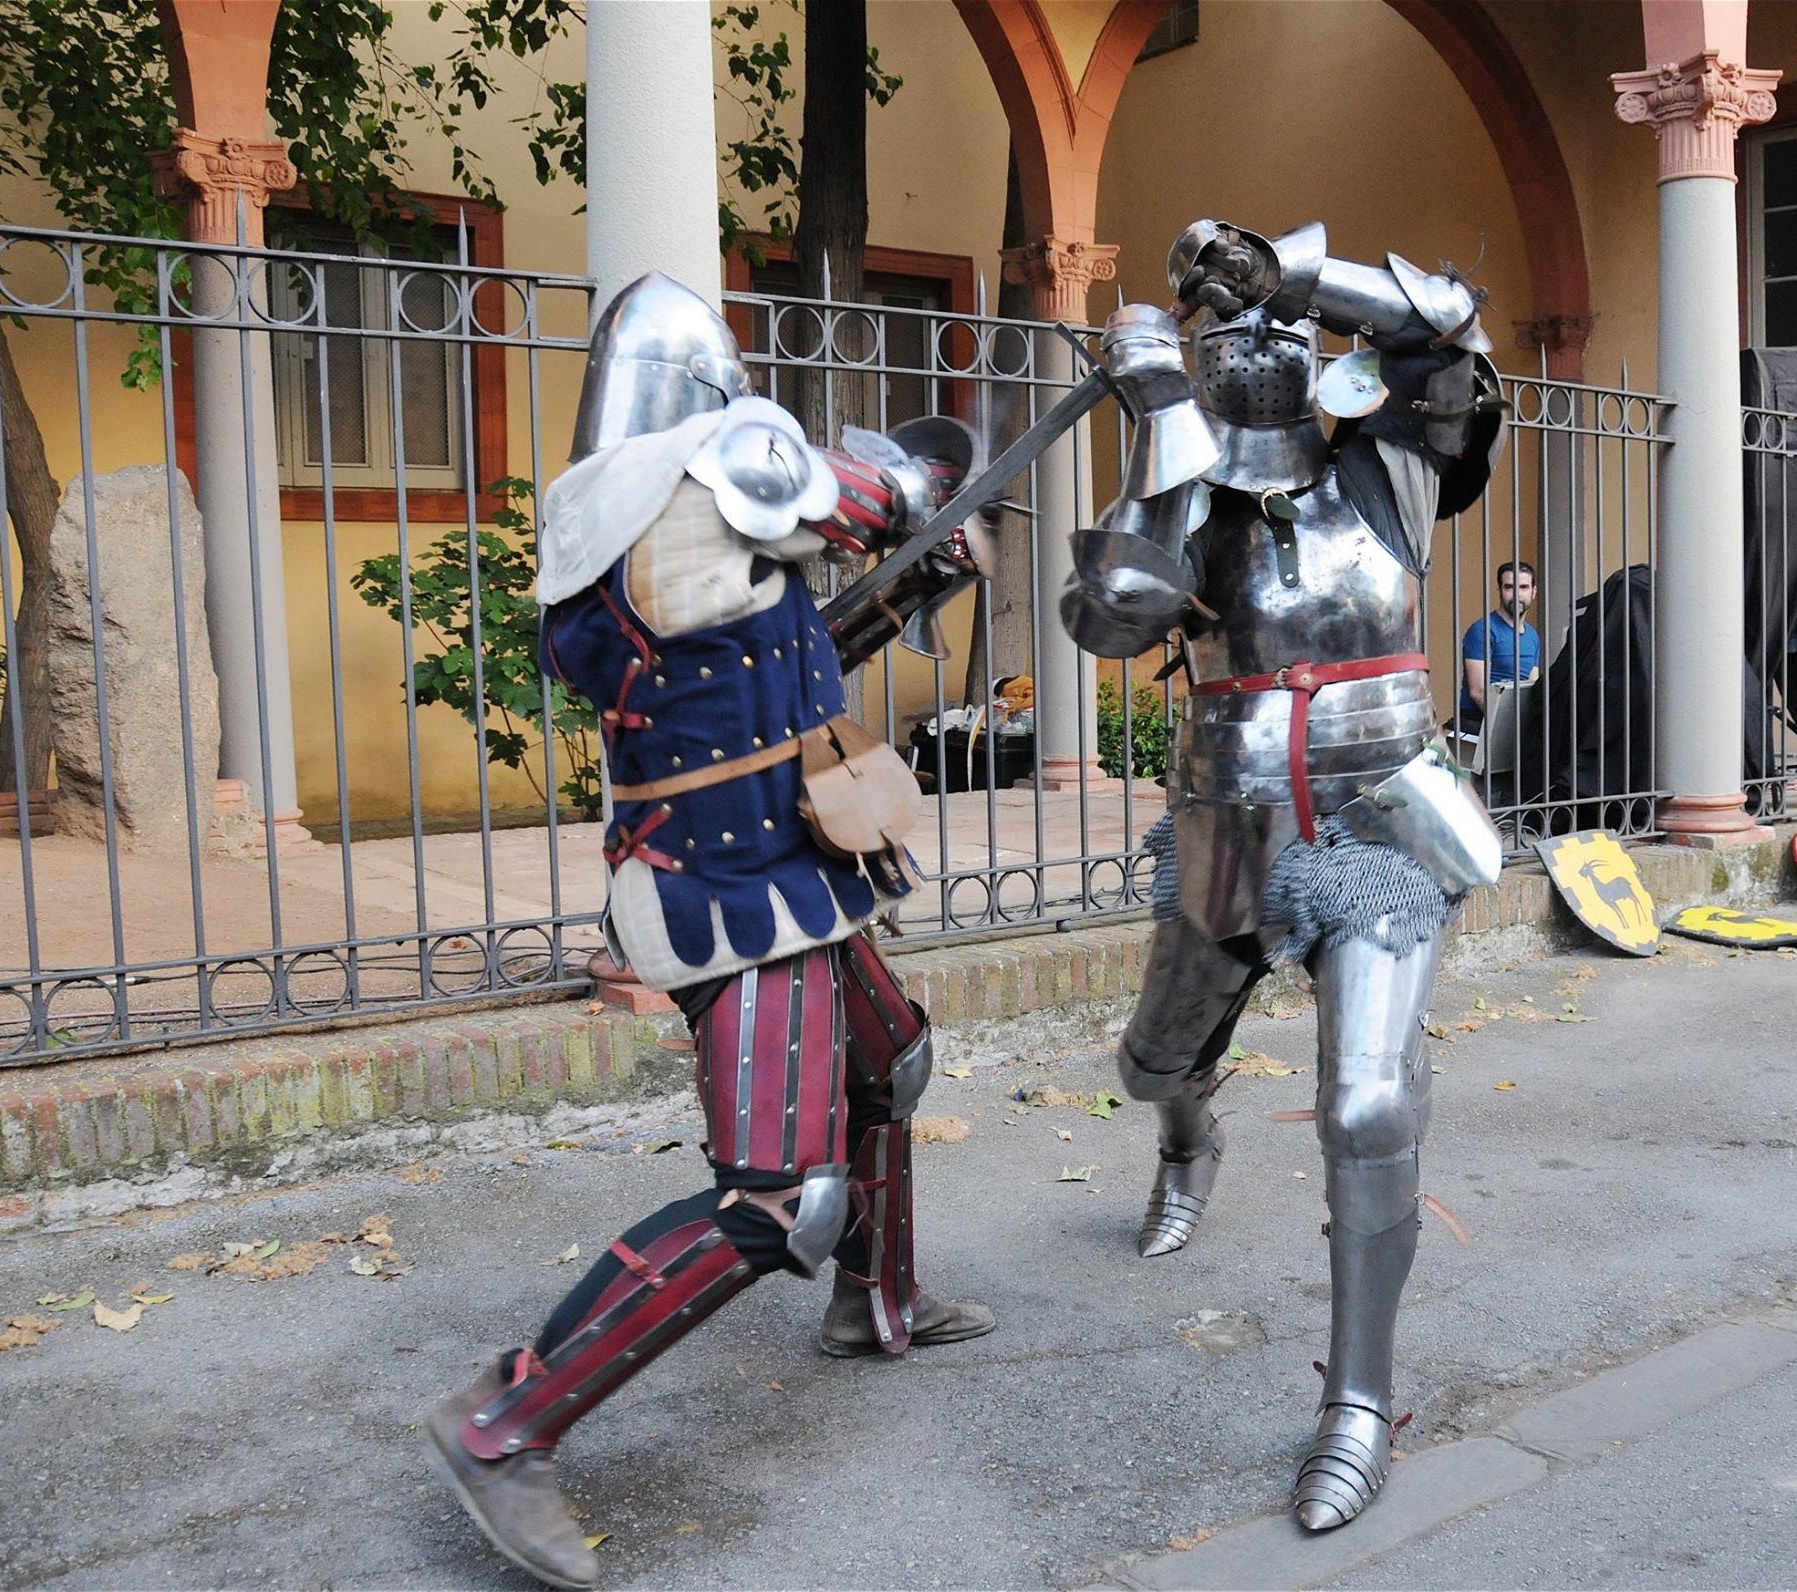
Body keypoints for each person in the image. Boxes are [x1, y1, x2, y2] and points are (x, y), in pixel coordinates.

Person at [423, 273, 993, 1591]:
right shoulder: (667, 490)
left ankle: (873, 1302)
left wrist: (917, 588)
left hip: (785, 858)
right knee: (783, 1195)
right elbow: (864, 487)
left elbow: (777, 667)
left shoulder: (684, 533)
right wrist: (909, 499)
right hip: (726, 890)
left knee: (889, 1056)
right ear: (705, 400)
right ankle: (505, 1421)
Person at [1059, 219, 1506, 1533]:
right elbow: (1106, 615)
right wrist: (1155, 412)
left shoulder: (1389, 470)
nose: (1249, 339)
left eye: (1271, 322)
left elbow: (1453, 327)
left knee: (1369, 1109)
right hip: (1233, 829)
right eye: (1219, 326)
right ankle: (1185, 1139)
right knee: (1149, 1062)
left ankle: (1358, 1404)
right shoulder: (1193, 500)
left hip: (1382, 817)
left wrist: (1294, 271)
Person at [1458, 560, 1541, 732]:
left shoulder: (1532, 636)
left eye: (1524, 587)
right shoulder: (1482, 630)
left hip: (1512, 723)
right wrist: (1511, 724)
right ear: (1500, 591)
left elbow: (1532, 684)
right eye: (1509, 587)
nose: (1517, 594)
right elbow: (1478, 691)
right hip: (1478, 724)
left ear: (1534, 592)